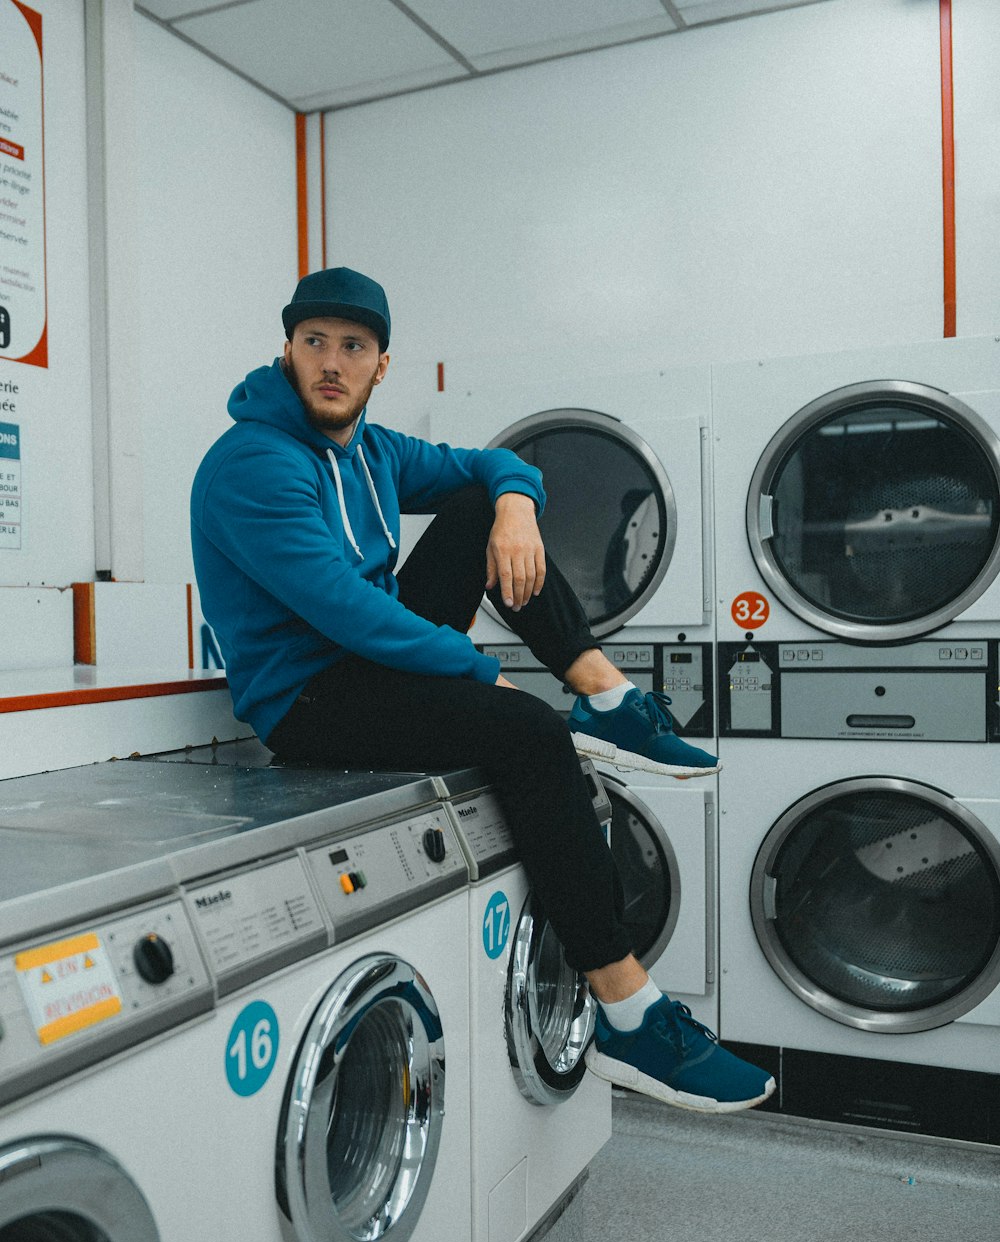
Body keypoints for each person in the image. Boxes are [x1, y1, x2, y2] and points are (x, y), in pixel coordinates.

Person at [191, 266, 775, 1114]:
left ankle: (607, 696)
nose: (331, 361)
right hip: (310, 700)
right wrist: (475, 669)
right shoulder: (253, 462)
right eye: (314, 341)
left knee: (476, 505)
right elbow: (341, 607)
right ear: (286, 349)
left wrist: (514, 504)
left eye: (352, 346)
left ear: (380, 365)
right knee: (530, 734)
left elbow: (496, 461)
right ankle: (628, 1013)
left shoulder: (374, 448)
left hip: (372, 666)